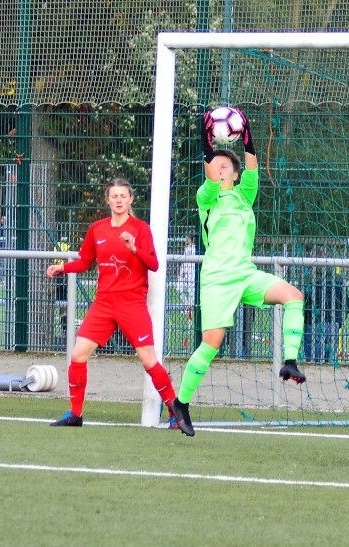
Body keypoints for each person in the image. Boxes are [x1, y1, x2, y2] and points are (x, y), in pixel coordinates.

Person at [169, 108, 307, 437]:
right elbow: (207, 168)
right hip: (217, 275)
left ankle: (289, 361)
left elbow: (253, 165)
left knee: (293, 296)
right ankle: (181, 403)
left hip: (244, 272)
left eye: (224, 165)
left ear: (233, 173)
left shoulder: (245, 196)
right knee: (212, 343)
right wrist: (206, 139)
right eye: (214, 165)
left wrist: (247, 137)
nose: (218, 168)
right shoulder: (208, 197)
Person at [46, 177, 180, 427]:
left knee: (149, 360)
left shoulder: (140, 228)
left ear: (130, 199)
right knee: (78, 355)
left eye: (123, 196)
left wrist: (133, 247)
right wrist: (62, 267)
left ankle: (175, 411)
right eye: (114, 196)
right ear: (108, 200)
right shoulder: (97, 228)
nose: (119, 200)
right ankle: (75, 414)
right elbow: (86, 262)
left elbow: (153, 264)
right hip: (104, 304)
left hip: (132, 303)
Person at [303, 244, 349, 364]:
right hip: (332, 323)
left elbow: (301, 303)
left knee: (312, 361)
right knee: (329, 362)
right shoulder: (338, 279)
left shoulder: (307, 279)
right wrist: (339, 321)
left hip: (311, 323)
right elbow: (347, 305)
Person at [176, 234, 197, 314]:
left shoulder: (196, 248)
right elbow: (185, 260)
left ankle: (189, 309)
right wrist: (182, 271)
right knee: (179, 288)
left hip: (192, 271)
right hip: (185, 270)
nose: (186, 240)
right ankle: (186, 305)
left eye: (187, 238)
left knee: (191, 290)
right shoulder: (187, 248)